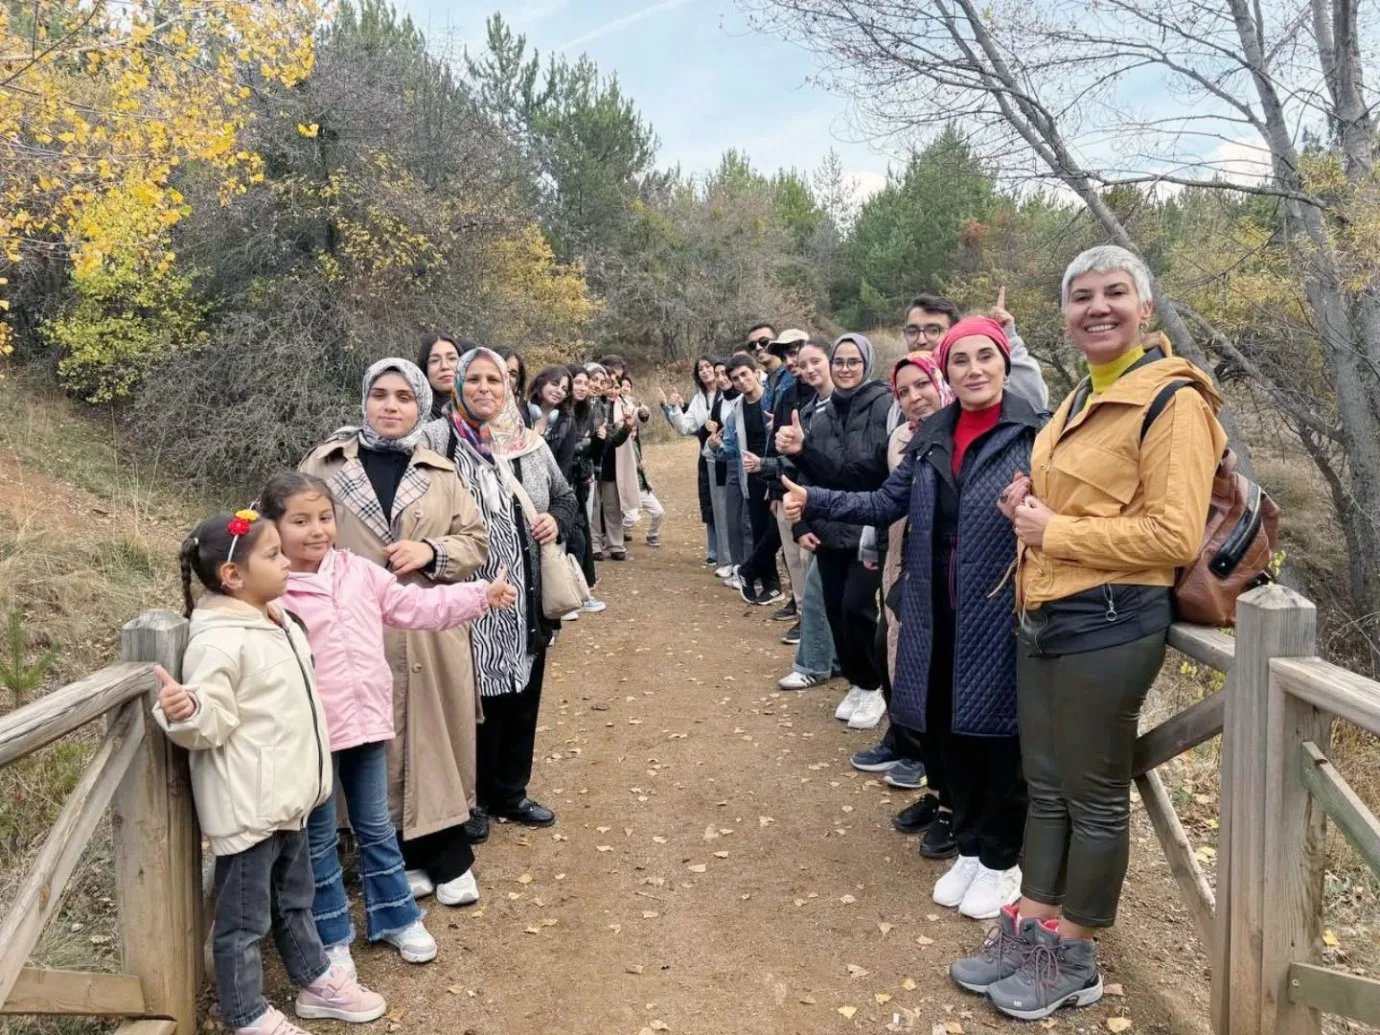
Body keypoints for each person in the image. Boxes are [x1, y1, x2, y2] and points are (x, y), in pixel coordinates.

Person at [953, 246, 1225, 1021]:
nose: (1097, 307)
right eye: (1081, 296)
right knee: (1044, 785)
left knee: (1095, 795)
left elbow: (1173, 535)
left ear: (1144, 308)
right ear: (1066, 314)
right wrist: (1029, 503)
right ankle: (1035, 923)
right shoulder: (1078, 397)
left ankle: (1075, 954)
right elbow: (1080, 505)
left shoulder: (1174, 401)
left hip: (1112, 622)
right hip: (1046, 614)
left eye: (1114, 293)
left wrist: (1056, 527)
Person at [782, 316, 1042, 924]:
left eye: (986, 357)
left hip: (998, 611)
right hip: (935, 609)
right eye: (961, 360)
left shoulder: (1034, 434)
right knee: (949, 731)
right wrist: (813, 498)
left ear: (1006, 363)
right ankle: (974, 848)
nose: (974, 370)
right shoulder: (931, 438)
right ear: (946, 371)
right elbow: (883, 502)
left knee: (998, 739)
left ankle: (1005, 860)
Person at [263, 472, 517, 975]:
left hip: (368, 725)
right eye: (299, 521)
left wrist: (477, 597)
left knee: (377, 827)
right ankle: (333, 935)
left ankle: (397, 915)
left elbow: (414, 605)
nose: (317, 531)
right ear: (274, 527)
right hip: (312, 737)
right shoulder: (273, 593)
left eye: (324, 518)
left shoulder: (357, 571)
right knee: (319, 838)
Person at [155, 511, 387, 1035]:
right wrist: (185, 710)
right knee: (243, 921)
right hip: (250, 806)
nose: (287, 563)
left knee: (293, 900)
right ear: (232, 576)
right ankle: (246, 1013)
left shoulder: (274, 619)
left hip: (289, 799)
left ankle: (314, 981)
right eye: (274, 555)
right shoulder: (219, 640)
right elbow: (210, 717)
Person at [301, 359, 490, 910]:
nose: (391, 406)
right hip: (348, 631)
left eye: (404, 397)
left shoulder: (442, 471)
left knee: (432, 737)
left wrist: (432, 552)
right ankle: (390, 857)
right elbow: (288, 527)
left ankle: (446, 854)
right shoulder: (324, 463)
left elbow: (476, 540)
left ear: (421, 406)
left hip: (427, 628)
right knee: (366, 742)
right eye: (380, 395)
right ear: (363, 400)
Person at [422, 346, 577, 837]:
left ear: (508, 387)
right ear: (458, 385)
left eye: (494, 380)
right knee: (468, 700)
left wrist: (557, 520)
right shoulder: (435, 440)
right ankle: (468, 802)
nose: (484, 388)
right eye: (474, 380)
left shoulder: (529, 444)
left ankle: (509, 792)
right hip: (462, 599)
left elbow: (564, 496)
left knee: (521, 695)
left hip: (523, 599)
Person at [851, 355, 960, 859]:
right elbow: (882, 502)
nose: (916, 396)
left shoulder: (965, 435)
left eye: (924, 385)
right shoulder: (909, 440)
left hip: (959, 586)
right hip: (908, 573)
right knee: (921, 685)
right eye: (905, 391)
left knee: (956, 698)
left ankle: (961, 811)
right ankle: (939, 796)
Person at [774, 333, 889, 729]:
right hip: (827, 527)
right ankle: (859, 682)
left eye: (852, 361)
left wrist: (805, 451)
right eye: (840, 361)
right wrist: (802, 522)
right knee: (837, 610)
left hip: (868, 529)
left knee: (859, 608)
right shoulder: (821, 412)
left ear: (867, 363)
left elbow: (864, 473)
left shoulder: (882, 404)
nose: (845, 369)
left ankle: (876, 687)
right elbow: (808, 473)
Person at [773, 338, 838, 684]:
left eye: (818, 361)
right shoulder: (811, 408)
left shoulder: (853, 405)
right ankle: (832, 659)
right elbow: (804, 465)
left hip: (847, 511)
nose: (810, 369)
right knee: (824, 589)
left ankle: (812, 664)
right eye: (804, 363)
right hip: (815, 507)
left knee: (820, 592)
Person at [742, 329, 808, 615]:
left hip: (816, 491)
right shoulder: (785, 392)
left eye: (796, 352)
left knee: (809, 560)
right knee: (793, 556)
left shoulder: (827, 393)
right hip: (785, 484)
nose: (792, 361)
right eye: (786, 355)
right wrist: (774, 488)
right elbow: (776, 448)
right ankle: (802, 611)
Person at [714, 352, 782, 603]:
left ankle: (748, 569)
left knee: (778, 530)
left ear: (756, 373)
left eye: (744, 374)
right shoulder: (736, 412)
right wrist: (715, 447)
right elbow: (731, 450)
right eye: (735, 378)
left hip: (778, 472)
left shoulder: (775, 400)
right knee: (761, 530)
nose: (741, 381)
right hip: (752, 478)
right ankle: (772, 586)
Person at [659, 356, 721, 565]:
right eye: (700, 369)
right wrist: (675, 408)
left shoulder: (730, 392)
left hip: (730, 457)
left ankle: (732, 553)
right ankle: (715, 550)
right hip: (707, 458)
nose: (705, 371)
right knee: (710, 502)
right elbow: (685, 427)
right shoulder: (699, 399)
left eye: (708, 366)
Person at [592, 362, 642, 561]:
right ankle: (595, 544)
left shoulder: (624, 405)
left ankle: (615, 543)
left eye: (615, 386)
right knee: (594, 506)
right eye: (608, 385)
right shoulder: (594, 405)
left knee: (613, 505)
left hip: (613, 461)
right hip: (594, 460)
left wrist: (629, 426)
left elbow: (641, 415)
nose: (611, 390)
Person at [618, 375, 665, 548]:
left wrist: (647, 479)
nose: (624, 388)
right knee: (632, 517)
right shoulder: (620, 443)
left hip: (641, 486)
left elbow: (642, 418)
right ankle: (614, 534)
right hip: (628, 487)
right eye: (621, 385)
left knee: (659, 512)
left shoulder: (636, 443)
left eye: (627, 385)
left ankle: (652, 535)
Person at [708, 360, 736, 578]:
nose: (721, 378)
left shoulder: (744, 399)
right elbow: (714, 435)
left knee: (741, 518)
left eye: (725, 373)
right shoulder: (719, 403)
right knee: (724, 512)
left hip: (742, 463)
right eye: (718, 374)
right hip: (722, 461)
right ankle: (728, 560)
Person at [418, 333, 459, 420]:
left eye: (452, 358)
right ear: (425, 369)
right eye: (435, 360)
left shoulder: (483, 409)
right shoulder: (415, 418)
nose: (445, 366)